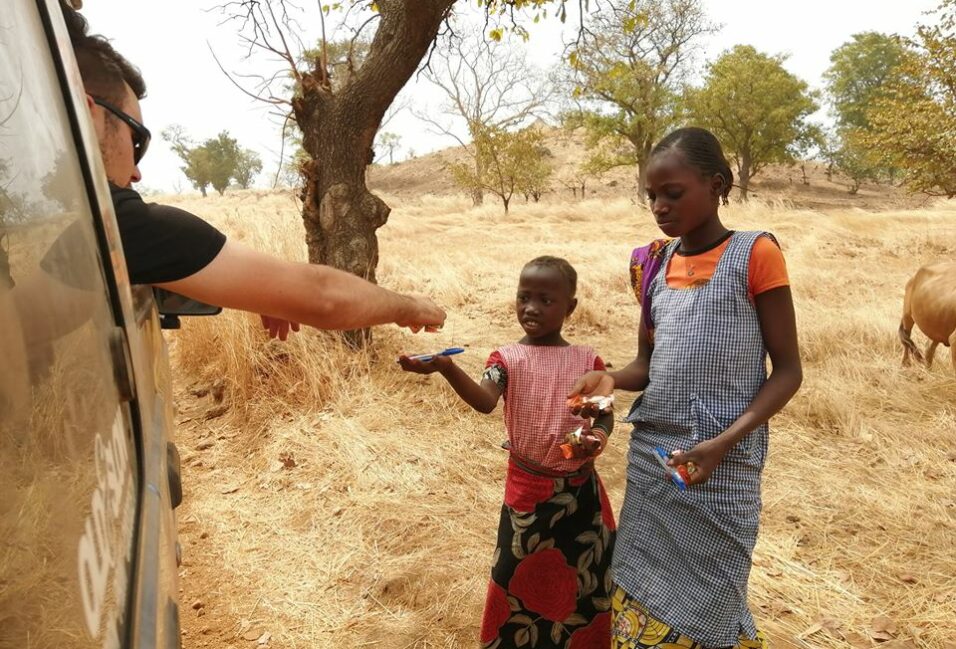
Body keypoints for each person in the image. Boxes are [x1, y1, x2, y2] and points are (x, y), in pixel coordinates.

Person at [47, 4, 444, 339]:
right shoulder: (113, 224)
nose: (136, 172)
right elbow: (324, 296)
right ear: (87, 116)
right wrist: (409, 306)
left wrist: (264, 291)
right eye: (137, 141)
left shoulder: (58, 227)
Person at [570, 127, 803, 649]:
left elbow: (788, 371)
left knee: (714, 603)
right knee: (639, 592)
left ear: (718, 184)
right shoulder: (653, 265)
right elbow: (646, 366)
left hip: (723, 465)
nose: (658, 206)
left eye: (672, 193)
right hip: (655, 464)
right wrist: (609, 377)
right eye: (651, 195)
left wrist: (722, 444)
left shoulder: (756, 254)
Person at [400, 256, 617, 649]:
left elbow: (604, 416)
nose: (531, 308)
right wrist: (447, 368)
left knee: (583, 581)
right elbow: (485, 400)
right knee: (515, 575)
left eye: (546, 300)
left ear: (570, 307)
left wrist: (597, 439)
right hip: (528, 494)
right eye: (524, 297)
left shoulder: (588, 361)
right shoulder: (507, 360)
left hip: (580, 495)